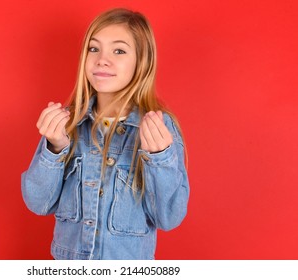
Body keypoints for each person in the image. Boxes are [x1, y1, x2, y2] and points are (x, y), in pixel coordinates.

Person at [21, 8, 190, 260]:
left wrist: (159, 159)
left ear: (141, 61)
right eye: (93, 48)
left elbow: (168, 217)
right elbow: (38, 203)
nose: (102, 59)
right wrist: (54, 148)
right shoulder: (69, 123)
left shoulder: (160, 127)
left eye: (119, 50)